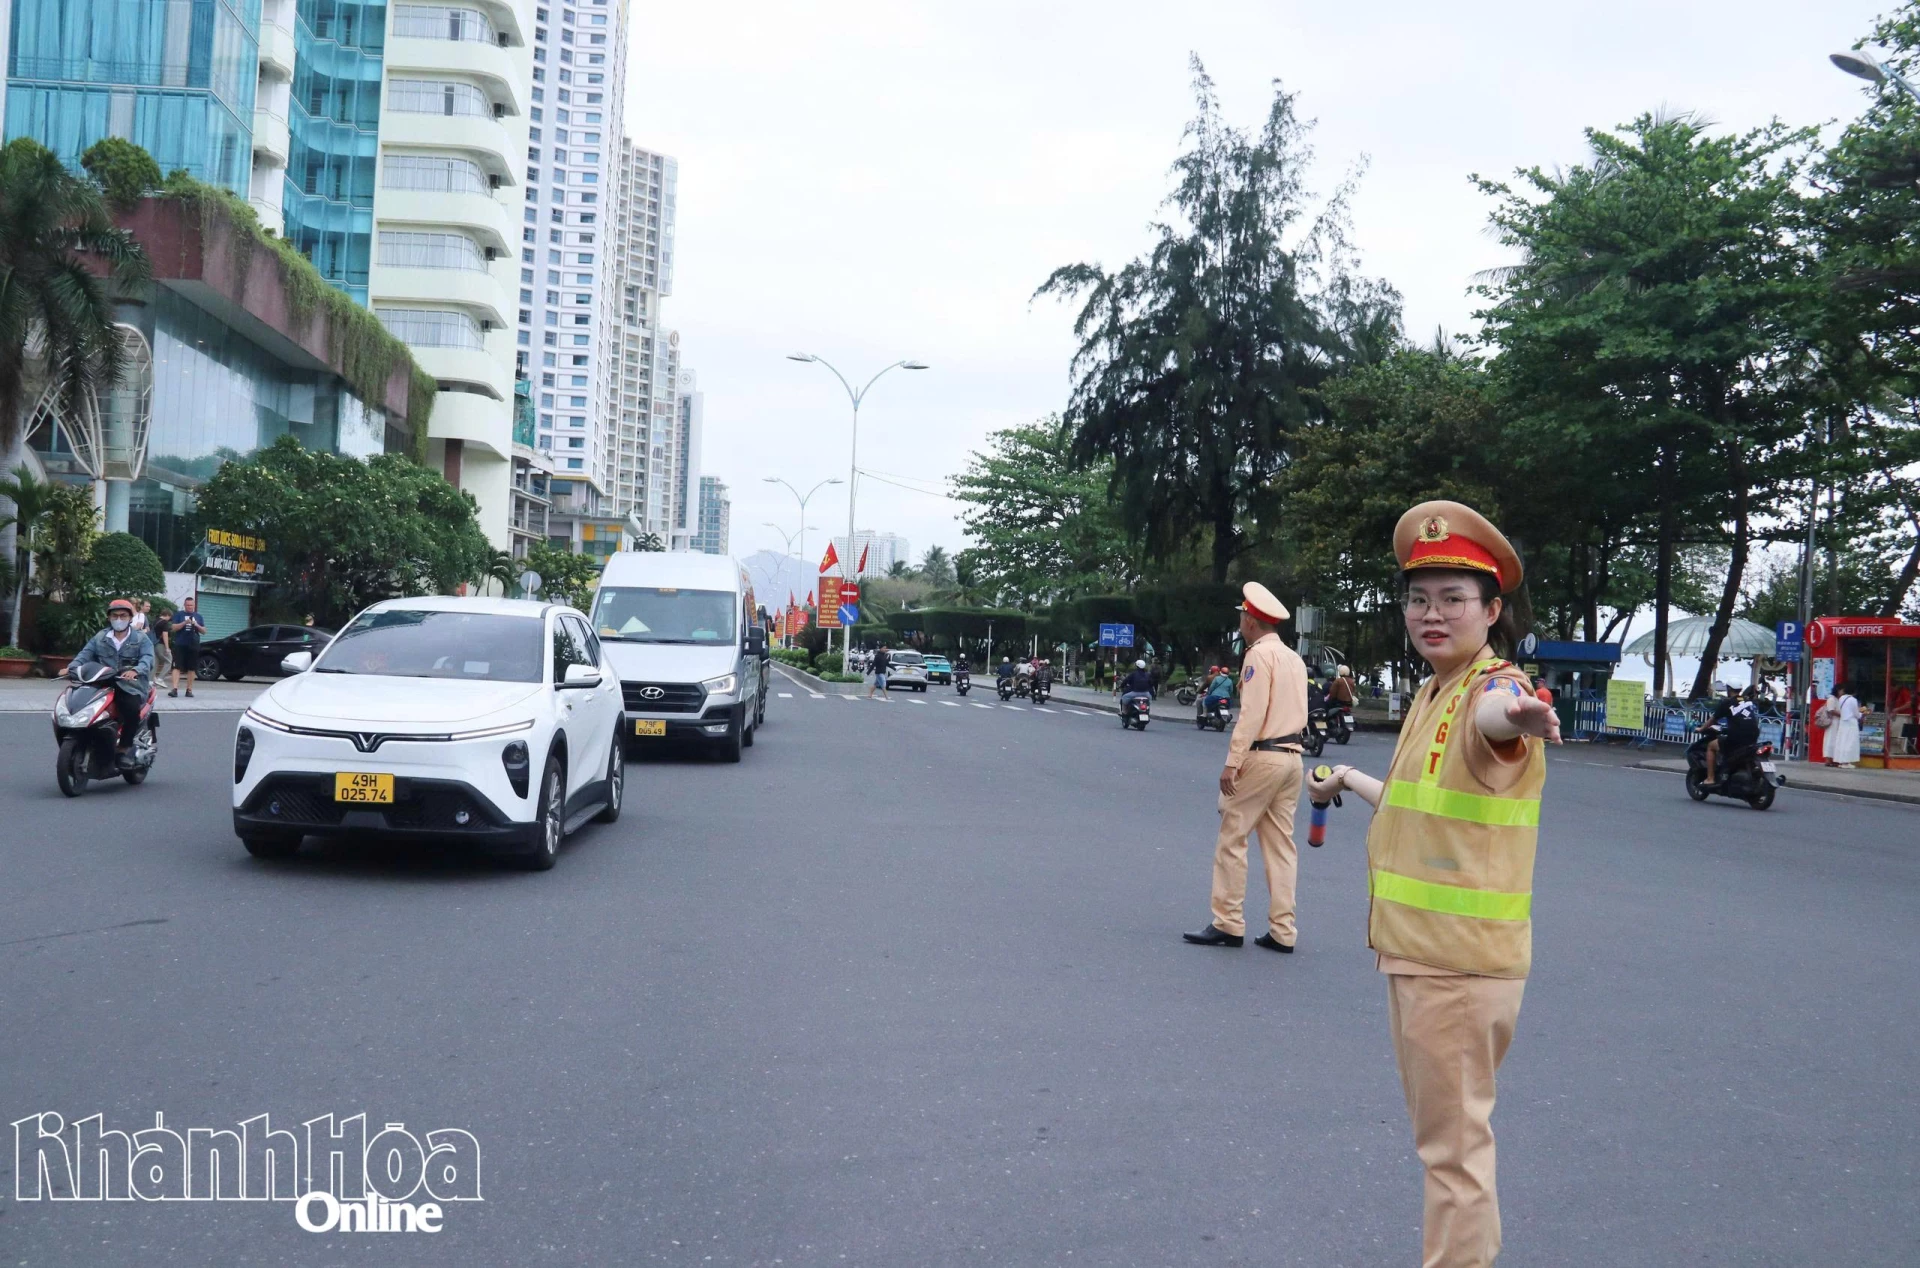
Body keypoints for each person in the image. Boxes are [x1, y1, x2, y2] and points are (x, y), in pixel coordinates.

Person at [1305, 500, 1559, 1268]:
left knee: (1452, 1153)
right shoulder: (1435, 689)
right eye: (1419, 599)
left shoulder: (1490, 688)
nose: (1432, 614)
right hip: (1425, 956)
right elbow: (1420, 804)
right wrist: (1347, 779)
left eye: (1453, 599)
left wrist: (1519, 716)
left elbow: (1497, 721)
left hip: (1457, 964)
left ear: (1493, 611)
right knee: (1446, 1143)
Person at [1183, 582, 1310, 953]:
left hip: (1263, 755)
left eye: (1242, 616)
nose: (1240, 621)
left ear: (1251, 621)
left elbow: (1252, 714)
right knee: (1281, 847)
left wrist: (1232, 762)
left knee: (1232, 837)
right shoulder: (1293, 658)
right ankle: (1283, 931)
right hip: (1292, 757)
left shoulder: (1258, 656)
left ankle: (1228, 922)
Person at [71, 598, 154, 766]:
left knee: (131, 710)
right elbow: (84, 654)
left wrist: (136, 670)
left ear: (130, 618)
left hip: (130, 686)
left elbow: (148, 658)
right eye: (115, 616)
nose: (119, 619)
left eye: (123, 616)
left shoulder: (141, 638)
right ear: (109, 618)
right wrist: (71, 667)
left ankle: (124, 749)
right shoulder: (100, 637)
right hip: (102, 683)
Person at [1703, 682, 1759, 787]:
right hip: (1753, 736)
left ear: (1728, 689)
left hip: (1737, 738)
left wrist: (1701, 729)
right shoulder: (1747, 701)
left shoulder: (1727, 703)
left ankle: (1710, 778)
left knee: (1711, 746)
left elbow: (1713, 719)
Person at [169, 596, 206, 697]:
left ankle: (189, 690)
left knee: (192, 668)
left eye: (191, 605)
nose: (189, 607)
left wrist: (196, 625)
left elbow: (204, 631)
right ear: (184, 605)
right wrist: (185, 622)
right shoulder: (179, 615)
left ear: (194, 605)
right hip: (180, 644)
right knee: (176, 666)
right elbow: (173, 628)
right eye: (188, 605)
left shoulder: (198, 616)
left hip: (193, 645)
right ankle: (174, 689)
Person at [1826, 686, 1862, 768]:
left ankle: (1841, 761)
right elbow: (1856, 713)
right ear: (1854, 692)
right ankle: (1846, 762)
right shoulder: (1853, 700)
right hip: (1851, 723)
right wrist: (1861, 715)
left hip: (1842, 722)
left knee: (1842, 741)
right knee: (1850, 742)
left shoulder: (1841, 698)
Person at [147, 600, 174, 685]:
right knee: (169, 661)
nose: (169, 619)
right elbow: (165, 635)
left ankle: (150, 680)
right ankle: (160, 678)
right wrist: (167, 648)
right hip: (161, 644)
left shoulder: (155, 621)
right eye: (170, 617)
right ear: (168, 615)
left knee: (155, 662)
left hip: (153, 644)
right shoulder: (164, 623)